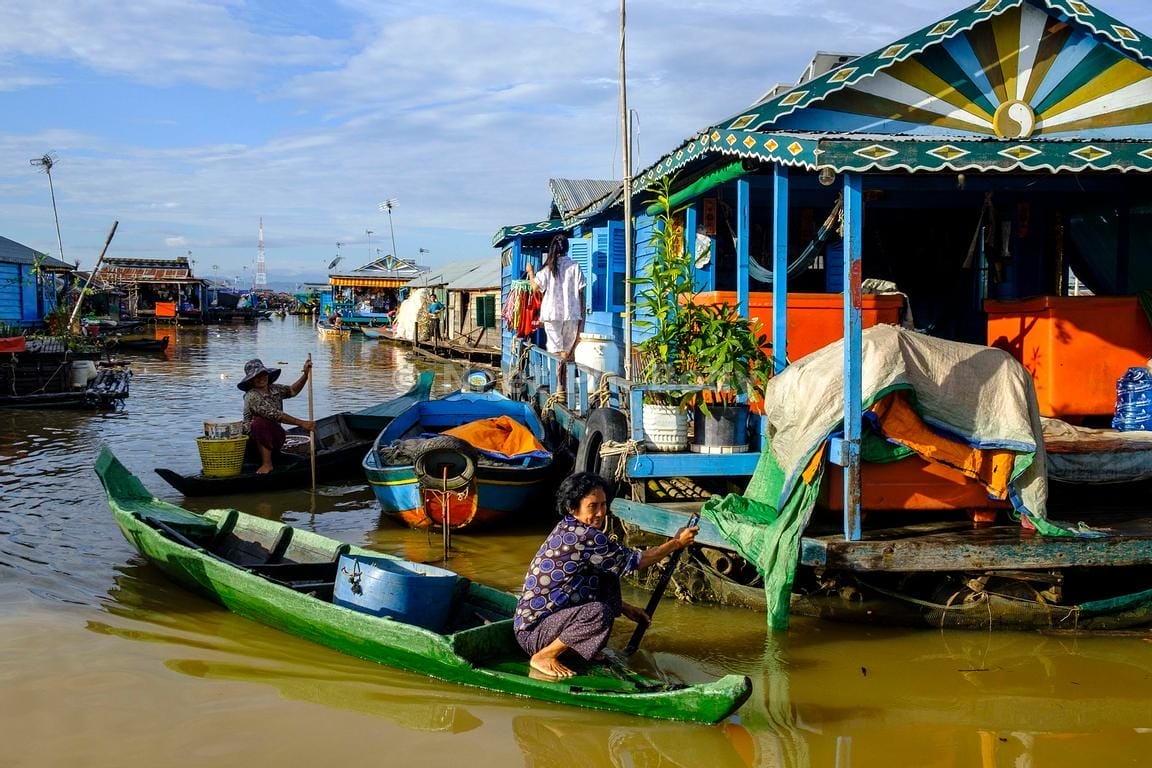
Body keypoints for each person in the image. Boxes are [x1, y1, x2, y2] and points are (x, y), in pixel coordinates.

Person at [513, 472, 698, 679]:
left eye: (603, 505)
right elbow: (637, 561)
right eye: (592, 506)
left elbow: (606, 570)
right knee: (598, 612)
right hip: (534, 632)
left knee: (608, 576)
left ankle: (577, 648)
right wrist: (676, 543)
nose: (600, 513)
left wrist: (625, 608)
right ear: (572, 508)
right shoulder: (584, 536)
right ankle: (544, 656)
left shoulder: (571, 527)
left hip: (548, 621)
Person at [526, 233, 585, 392]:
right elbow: (581, 294)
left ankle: (559, 386)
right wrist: (582, 319)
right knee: (566, 350)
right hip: (572, 313)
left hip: (552, 314)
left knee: (555, 350)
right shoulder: (575, 266)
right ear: (567, 248)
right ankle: (563, 386)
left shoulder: (547, 269)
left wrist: (530, 272)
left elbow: (534, 288)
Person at [238, 358, 315, 474]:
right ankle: (266, 463)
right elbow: (275, 414)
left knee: (272, 427)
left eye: (263, 374)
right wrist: (302, 423)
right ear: (251, 380)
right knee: (259, 423)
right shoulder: (251, 396)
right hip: (253, 441)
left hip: (275, 437)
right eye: (256, 377)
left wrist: (305, 375)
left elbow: (292, 390)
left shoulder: (275, 389)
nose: (261, 378)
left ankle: (274, 455)